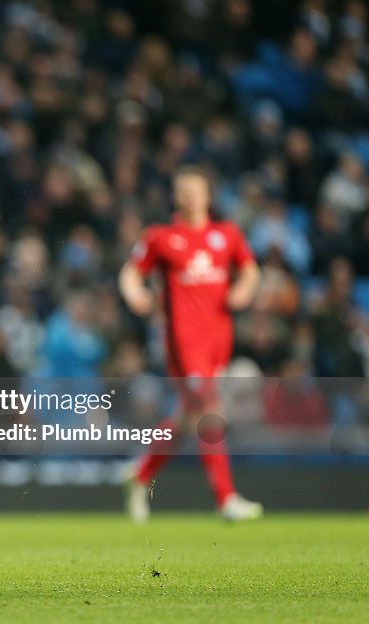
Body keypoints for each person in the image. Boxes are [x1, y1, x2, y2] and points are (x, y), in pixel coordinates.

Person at [118, 165, 263, 522]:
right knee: (210, 411)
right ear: (176, 197)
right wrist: (135, 294)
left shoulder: (226, 235)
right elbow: (131, 271)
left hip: (218, 341)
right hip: (184, 344)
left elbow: (250, 269)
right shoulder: (161, 237)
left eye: (196, 192)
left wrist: (244, 290)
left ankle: (139, 477)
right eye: (184, 192)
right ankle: (226, 499)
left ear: (208, 196)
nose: (191, 198)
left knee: (187, 418)